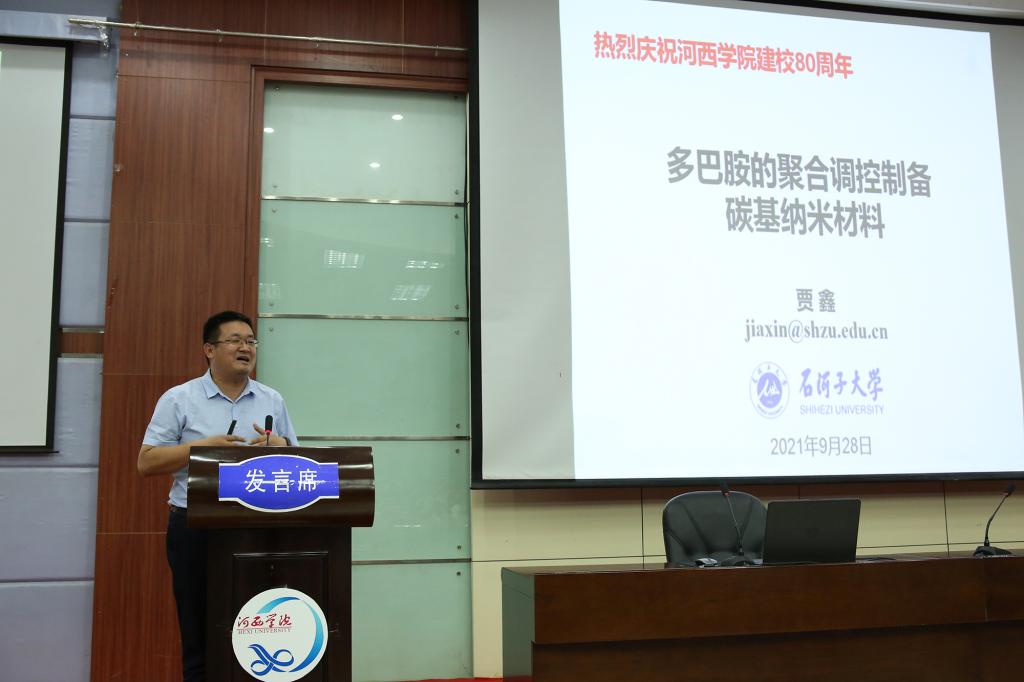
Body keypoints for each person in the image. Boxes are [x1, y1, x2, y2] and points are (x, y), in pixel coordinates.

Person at [137, 310, 299, 682]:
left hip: (258, 525)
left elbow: (298, 461)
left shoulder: (272, 400)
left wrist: (280, 446)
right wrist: (200, 449)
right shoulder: (179, 399)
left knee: (256, 625)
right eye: (235, 340)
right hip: (195, 527)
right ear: (209, 349)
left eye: (251, 341)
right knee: (200, 629)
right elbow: (146, 462)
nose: (246, 348)